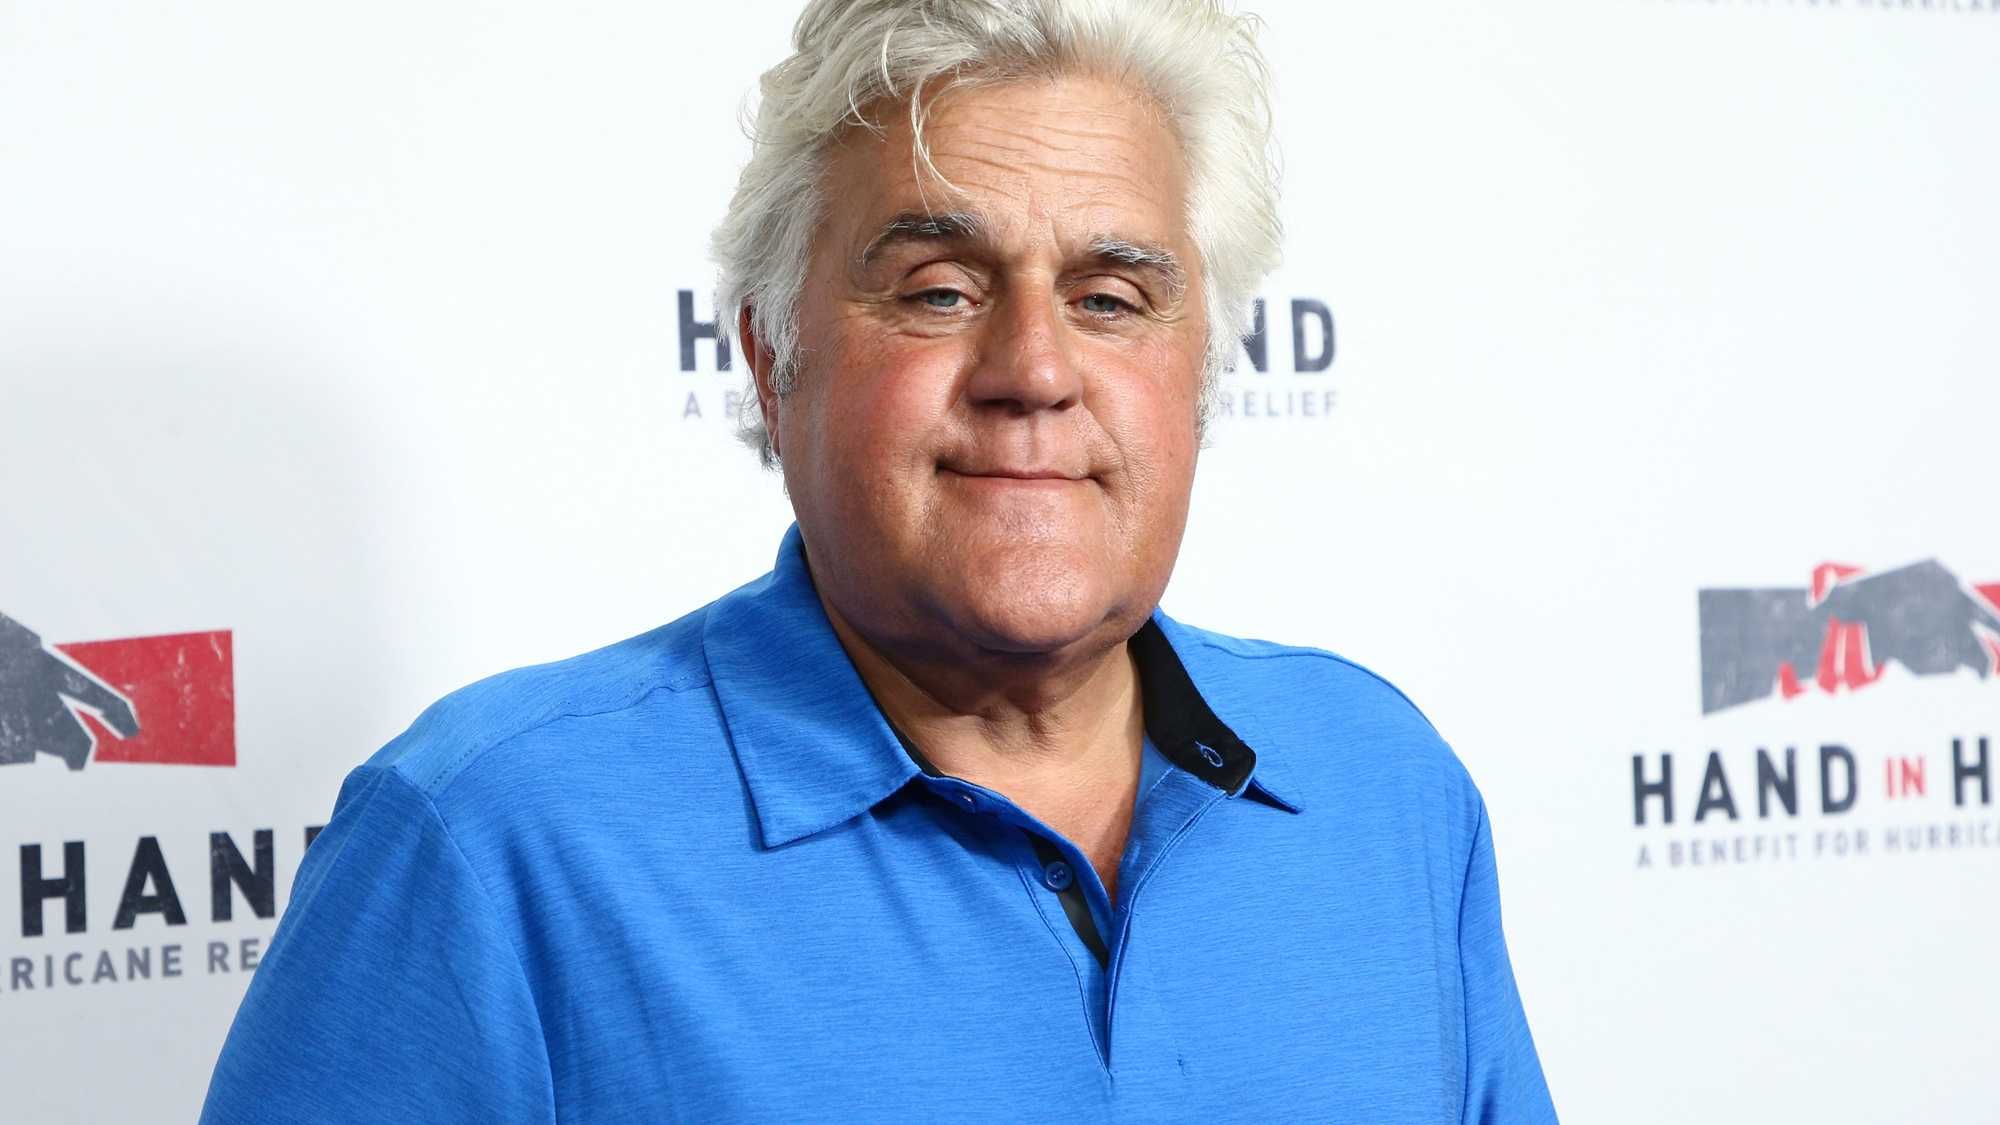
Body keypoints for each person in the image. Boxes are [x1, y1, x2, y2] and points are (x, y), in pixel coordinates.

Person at [201, 1, 1558, 1121]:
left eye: (1109, 299)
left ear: (1201, 370)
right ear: (770, 357)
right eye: (939, 290)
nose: (1034, 370)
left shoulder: (1385, 789)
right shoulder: (490, 844)